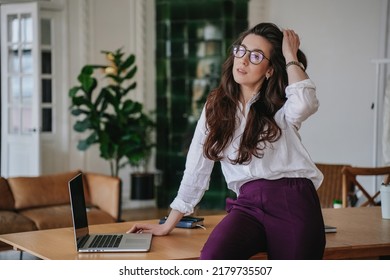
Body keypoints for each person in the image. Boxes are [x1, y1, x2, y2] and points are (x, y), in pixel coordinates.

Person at [128, 22, 326, 260]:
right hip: (248, 205)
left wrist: (290, 56)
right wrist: (168, 224)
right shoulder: (215, 104)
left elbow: (306, 103)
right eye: (240, 50)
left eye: (255, 56)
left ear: (270, 69)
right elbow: (196, 167)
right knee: (212, 259)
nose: (242, 60)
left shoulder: (282, 104)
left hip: (292, 201)